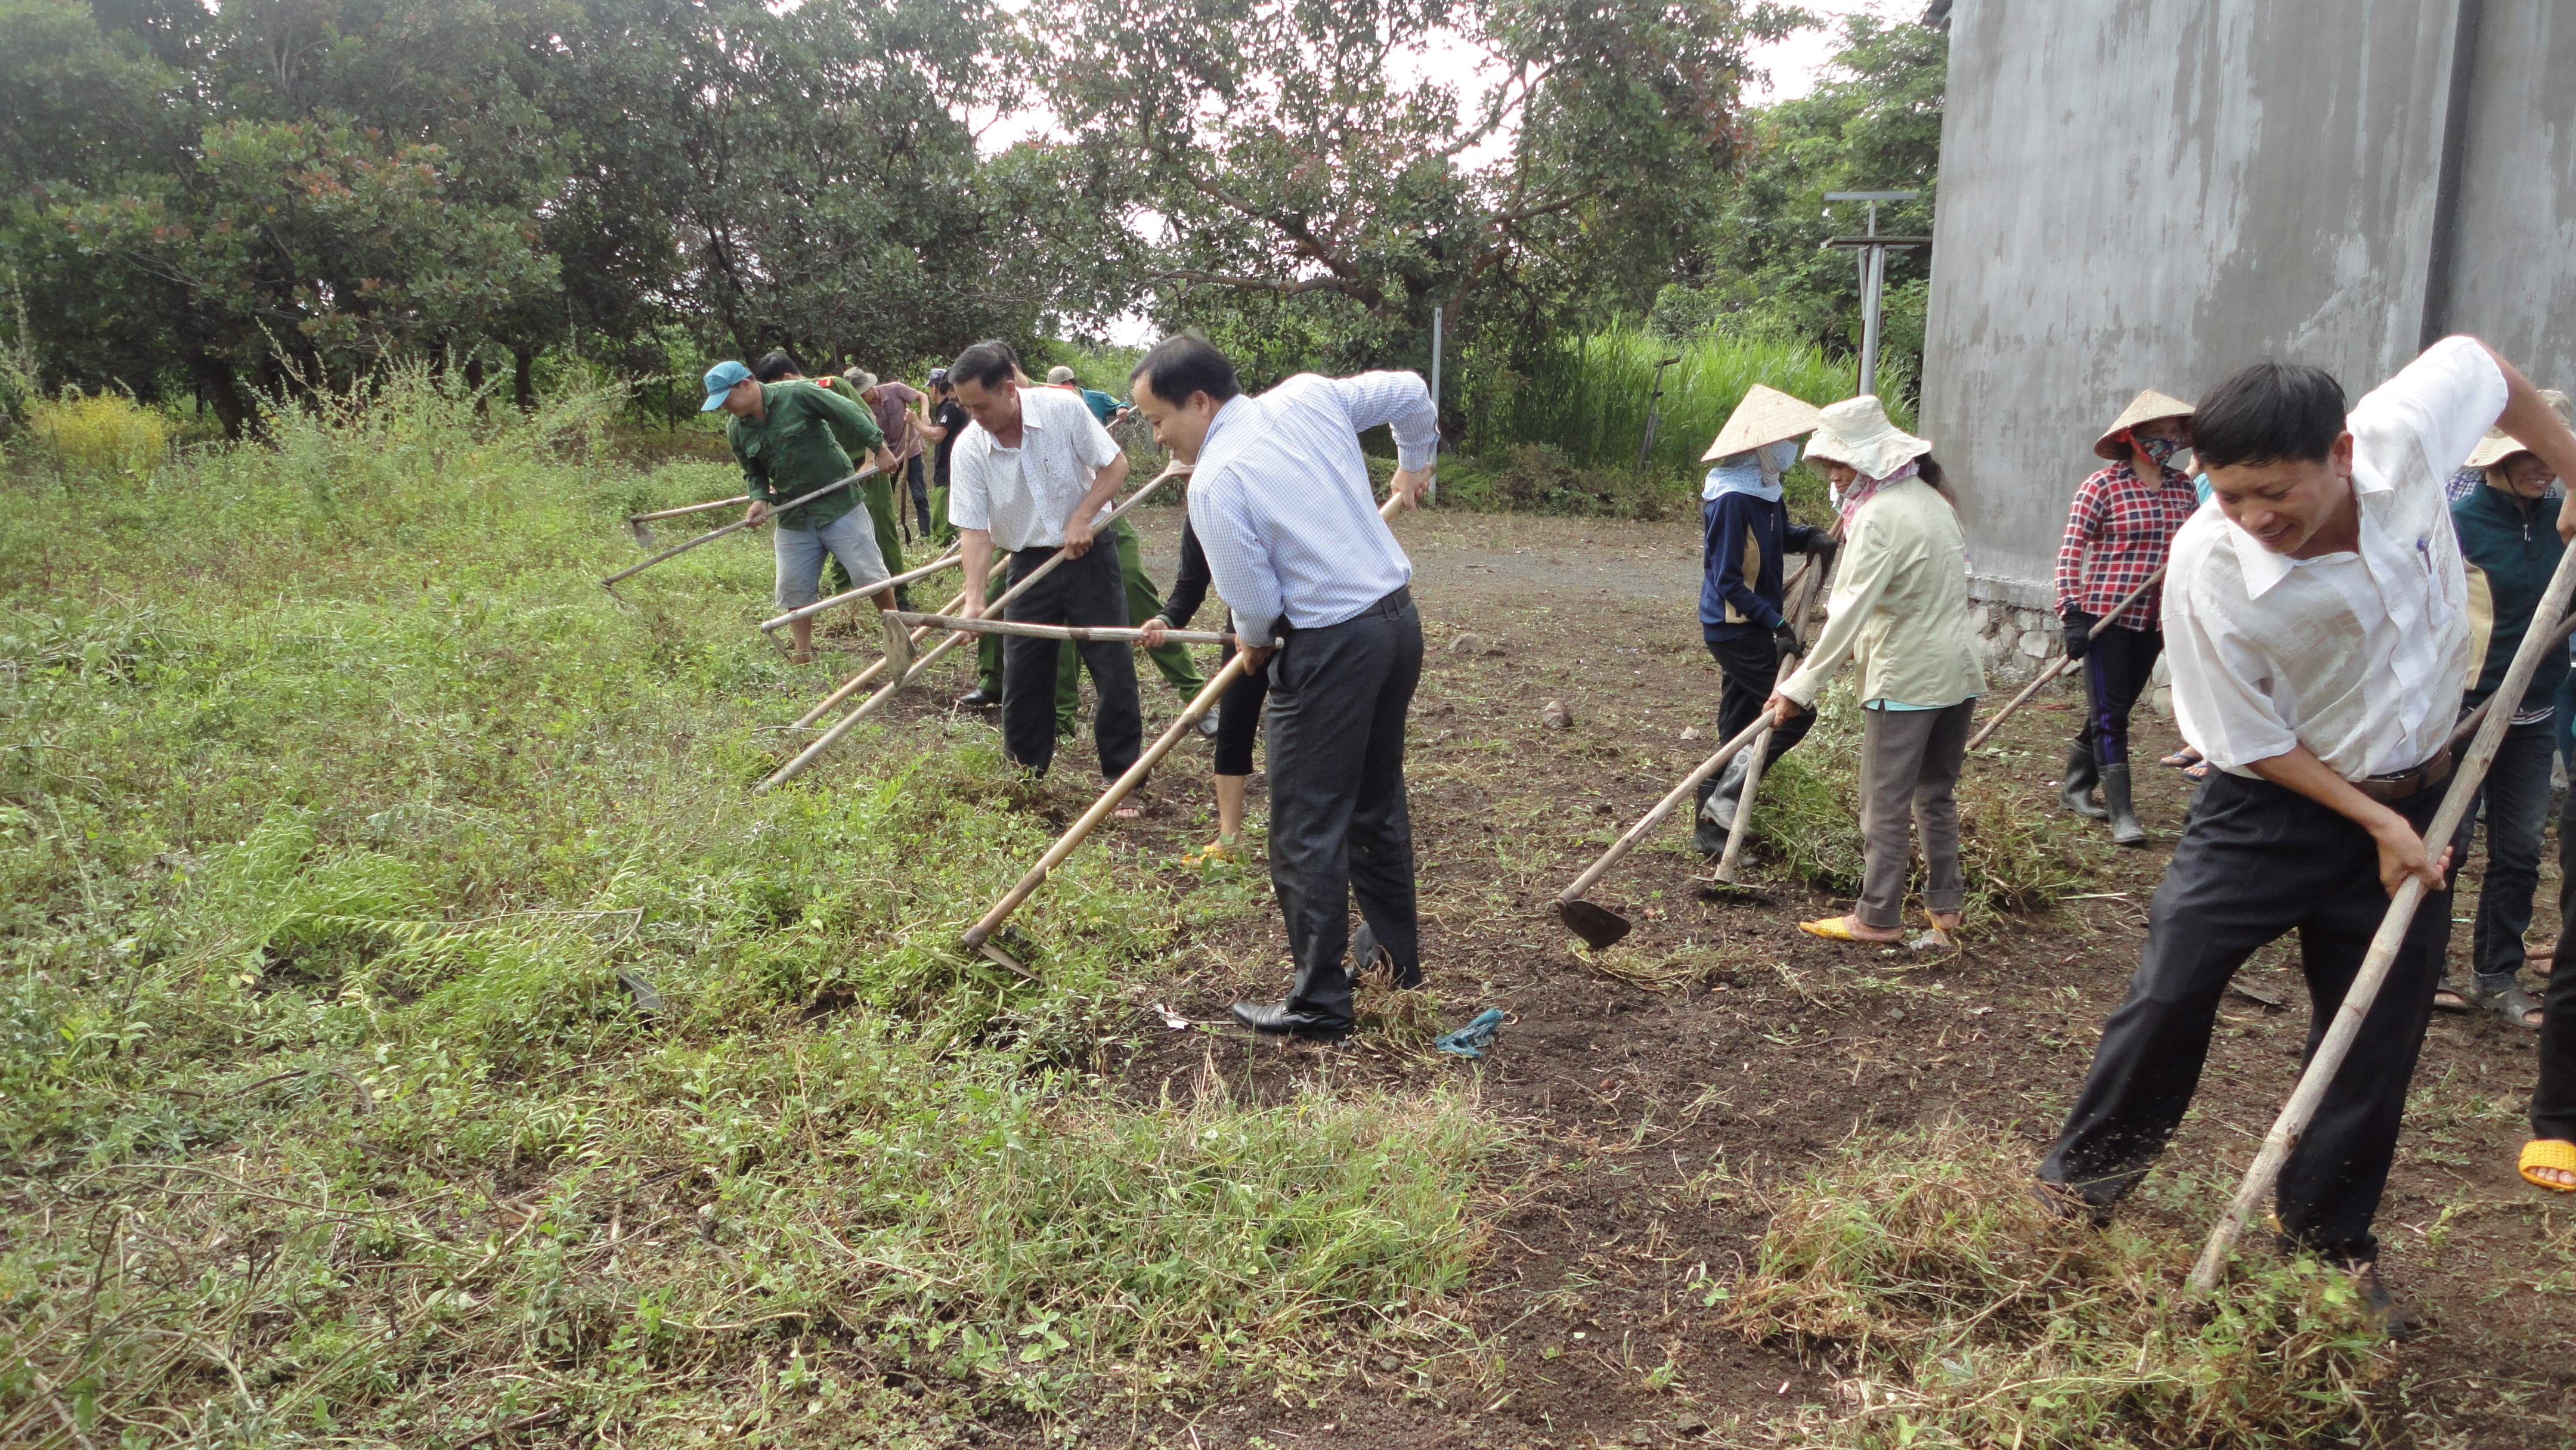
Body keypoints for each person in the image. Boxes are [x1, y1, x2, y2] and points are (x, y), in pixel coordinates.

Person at [2036, 336, 2576, 1336]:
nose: (2253, 517)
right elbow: (2245, 737)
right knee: (2173, 985)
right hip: (2268, 809)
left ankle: (2328, 1241)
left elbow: (2483, 366)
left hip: (2423, 798)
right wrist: (2373, 821)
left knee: (2374, 1033)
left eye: (2275, 492)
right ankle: (2080, 1189)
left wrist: (2575, 467)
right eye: (2230, 492)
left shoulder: (2403, 439)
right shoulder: (2208, 564)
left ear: (2340, 453)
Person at [1126, 335, 1435, 1042]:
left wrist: (1253, 638)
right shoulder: (1308, 394)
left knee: (1305, 824)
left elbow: (1256, 604)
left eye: (1157, 420)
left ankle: (1319, 1002)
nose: (1158, 437)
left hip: (1329, 647)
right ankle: (1395, 966)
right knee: (1375, 801)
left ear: (1198, 401)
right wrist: (1414, 463)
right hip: (1395, 626)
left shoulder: (1215, 481)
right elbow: (1413, 391)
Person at [1762, 396, 1984, 944]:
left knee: (1883, 803)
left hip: (1906, 680)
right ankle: (1946, 907)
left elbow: (1847, 616)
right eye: (1830, 465)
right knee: (1935, 793)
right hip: (1957, 673)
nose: (1835, 476)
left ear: (1870, 461)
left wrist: (1798, 688)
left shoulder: (1879, 517)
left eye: (1843, 464)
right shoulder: (1933, 501)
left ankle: (1878, 916)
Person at [947, 340, 1144, 795]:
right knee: (1023, 674)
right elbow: (975, 531)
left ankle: (1123, 778)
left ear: (1009, 389)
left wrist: (1083, 516)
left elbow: (1115, 466)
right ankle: (1024, 777)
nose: (975, 416)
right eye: (965, 407)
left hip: (1090, 557)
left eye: (981, 406)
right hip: (1029, 563)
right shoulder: (969, 448)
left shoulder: (1062, 410)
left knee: (1112, 666)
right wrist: (974, 601)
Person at [2439, 410, 2569, 1028]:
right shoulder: (2459, 526)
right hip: (2468, 711)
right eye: (2531, 457)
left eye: (2553, 457)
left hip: (2534, 713)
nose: (2546, 469)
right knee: (2449, 845)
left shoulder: (2564, 523)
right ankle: (2425, 966)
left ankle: (2496, 975)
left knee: (2519, 851)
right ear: (2498, 462)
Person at [2053, 389, 2201, 846]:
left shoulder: (2183, 489)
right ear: (2131, 438)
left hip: (2155, 618)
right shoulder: (2102, 487)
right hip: (2106, 617)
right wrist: (2072, 612)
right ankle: (2123, 814)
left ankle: (2075, 786)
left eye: (2173, 433)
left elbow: (2196, 547)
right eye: (2157, 433)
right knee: (2111, 715)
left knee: (2114, 707)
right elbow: (2071, 552)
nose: (2167, 440)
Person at [1695, 384, 1834, 857]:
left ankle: (1709, 832)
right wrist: (1776, 623)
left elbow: (1776, 536)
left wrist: (1809, 536)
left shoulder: (1765, 488)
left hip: (1755, 623)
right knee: (1794, 715)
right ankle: (1724, 803)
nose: (1791, 448)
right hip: (1734, 628)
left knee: (1738, 725)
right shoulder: (1731, 498)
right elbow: (1727, 580)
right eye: (1784, 441)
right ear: (1761, 447)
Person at [704, 359, 899, 664]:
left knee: (869, 573)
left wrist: (880, 450)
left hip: (838, 501)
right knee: (793, 586)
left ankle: (897, 633)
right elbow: (753, 472)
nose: (726, 408)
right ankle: (803, 652)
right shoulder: (736, 428)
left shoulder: (798, 393)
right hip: (793, 512)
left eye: (727, 399)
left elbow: (850, 413)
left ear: (745, 384)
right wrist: (759, 499)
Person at [1140, 507, 1272, 863]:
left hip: (1309, 624)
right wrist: (1166, 620)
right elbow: (1191, 584)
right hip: (1244, 625)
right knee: (1234, 724)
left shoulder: (1270, 500)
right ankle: (1229, 838)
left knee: (1306, 727)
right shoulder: (1202, 512)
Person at [751, 353, 908, 609]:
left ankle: (899, 598)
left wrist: (871, 460)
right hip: (830, 481)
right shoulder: (778, 407)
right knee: (837, 538)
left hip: (864, 470)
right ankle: (848, 603)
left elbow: (866, 416)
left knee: (881, 533)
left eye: (774, 387)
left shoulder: (831, 385)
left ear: (787, 378)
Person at [849, 370, 934, 542]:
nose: (862, 398)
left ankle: (926, 535)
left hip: (911, 449)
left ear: (870, 388)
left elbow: (922, 397)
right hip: (888, 458)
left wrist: (924, 416)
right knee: (886, 498)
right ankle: (889, 536)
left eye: (863, 394)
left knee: (919, 496)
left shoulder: (895, 389)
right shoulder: (862, 409)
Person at [1048, 365, 1129, 425]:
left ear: (1067, 384)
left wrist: (1122, 408)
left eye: (1056, 389)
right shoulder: (1056, 406)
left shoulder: (1099, 399)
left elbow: (1122, 406)